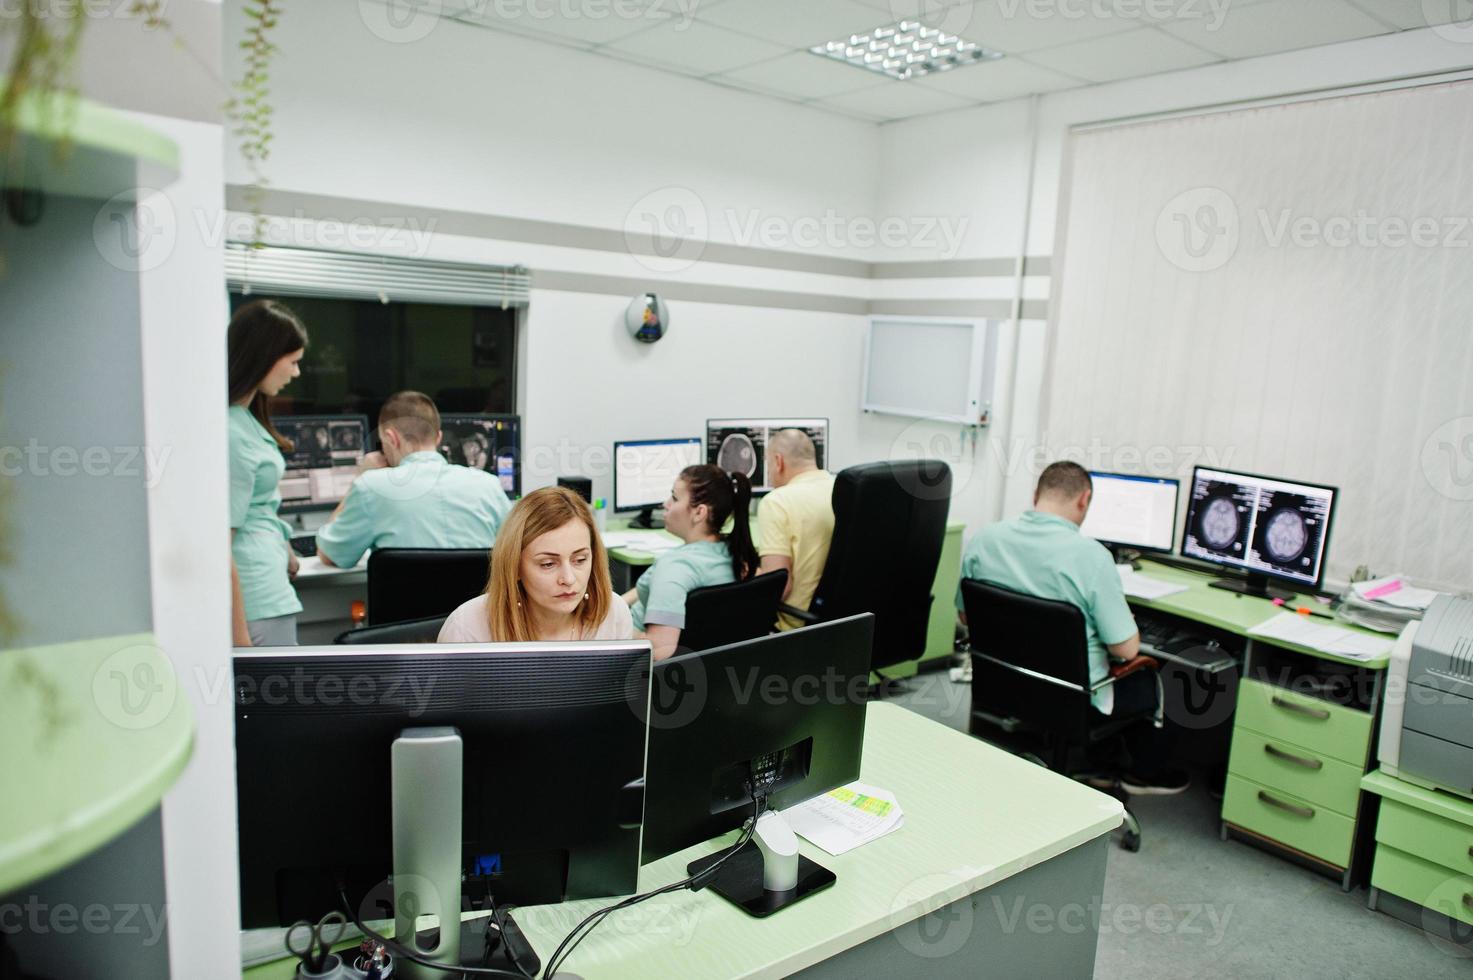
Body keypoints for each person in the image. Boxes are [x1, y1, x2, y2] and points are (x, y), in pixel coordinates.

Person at [957, 461, 1188, 794]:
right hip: (1074, 699)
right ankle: (1140, 773)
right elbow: (1126, 650)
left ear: (1036, 494)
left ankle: (1095, 762)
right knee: (1167, 673)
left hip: (1005, 687)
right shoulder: (1091, 558)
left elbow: (966, 618)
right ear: (1085, 500)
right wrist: (1131, 625)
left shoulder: (985, 539)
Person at [315, 391, 512, 568]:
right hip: (474, 609)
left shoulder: (372, 487)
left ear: (392, 439)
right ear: (438, 438)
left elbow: (330, 555)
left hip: (405, 609)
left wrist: (360, 478)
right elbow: (515, 553)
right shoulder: (488, 485)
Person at [439, 487, 633, 642]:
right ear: (515, 567)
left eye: (580, 560)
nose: (568, 579)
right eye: (548, 564)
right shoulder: (466, 629)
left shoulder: (613, 614)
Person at [228, 300, 308, 647]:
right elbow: (219, 545)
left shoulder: (244, 420)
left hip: (267, 584)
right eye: (292, 362)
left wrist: (284, 547)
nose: (296, 373)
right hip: (254, 597)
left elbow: (256, 509)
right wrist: (238, 636)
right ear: (264, 356)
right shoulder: (230, 432)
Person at [621, 464, 759, 660]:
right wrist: (618, 603)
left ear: (699, 513)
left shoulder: (674, 568)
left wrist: (613, 629)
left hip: (634, 663)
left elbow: (660, 649)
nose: (665, 504)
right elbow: (665, 586)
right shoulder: (735, 555)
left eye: (674, 498)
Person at [756, 429, 835, 630]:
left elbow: (777, 588)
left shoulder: (777, 502)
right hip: (844, 621)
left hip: (796, 627)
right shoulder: (844, 489)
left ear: (778, 461)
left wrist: (749, 575)